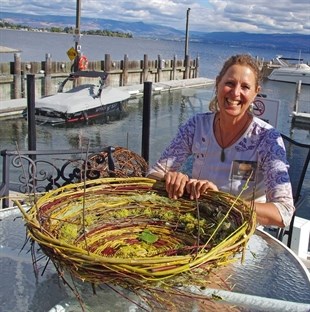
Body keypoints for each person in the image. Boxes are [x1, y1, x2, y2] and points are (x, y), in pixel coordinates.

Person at [147, 54, 294, 228]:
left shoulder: (267, 139)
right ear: (218, 84)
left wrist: (221, 202)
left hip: (243, 231)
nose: (235, 92)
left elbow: (283, 212)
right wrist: (173, 179)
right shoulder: (196, 126)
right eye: (230, 83)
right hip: (197, 223)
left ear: (256, 93)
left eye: (245, 87)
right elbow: (153, 174)